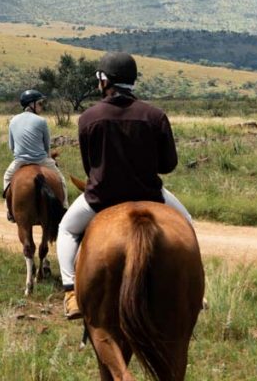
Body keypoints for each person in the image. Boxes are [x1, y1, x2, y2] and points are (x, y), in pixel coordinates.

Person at [57, 52, 193, 320]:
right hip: (150, 196)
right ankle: (192, 290)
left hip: (101, 198)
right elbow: (168, 165)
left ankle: (71, 292)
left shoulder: (88, 118)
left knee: (67, 230)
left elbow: (89, 167)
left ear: (105, 81)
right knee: (186, 223)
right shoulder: (155, 116)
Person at [1, 89, 67, 222]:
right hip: (41, 160)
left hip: (20, 161)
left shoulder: (13, 120)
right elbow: (47, 145)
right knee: (61, 180)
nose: (42, 106)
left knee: (7, 177)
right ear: (32, 104)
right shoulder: (41, 121)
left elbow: (11, 146)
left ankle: (9, 210)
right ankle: (64, 206)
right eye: (40, 103)